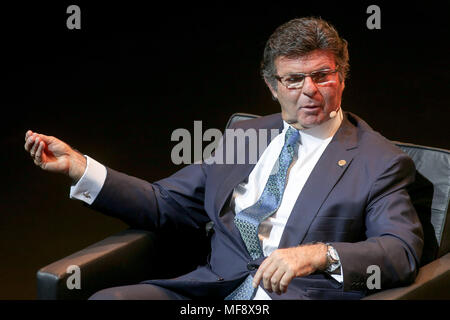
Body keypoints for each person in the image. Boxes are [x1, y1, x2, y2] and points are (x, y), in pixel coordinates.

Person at [24, 17, 423, 300]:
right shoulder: (246, 136)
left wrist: (318, 254)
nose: (310, 91)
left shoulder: (378, 160)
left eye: (322, 75)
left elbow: (400, 250)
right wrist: (81, 167)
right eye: (294, 79)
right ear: (272, 86)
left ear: (341, 77)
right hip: (213, 291)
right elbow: (166, 203)